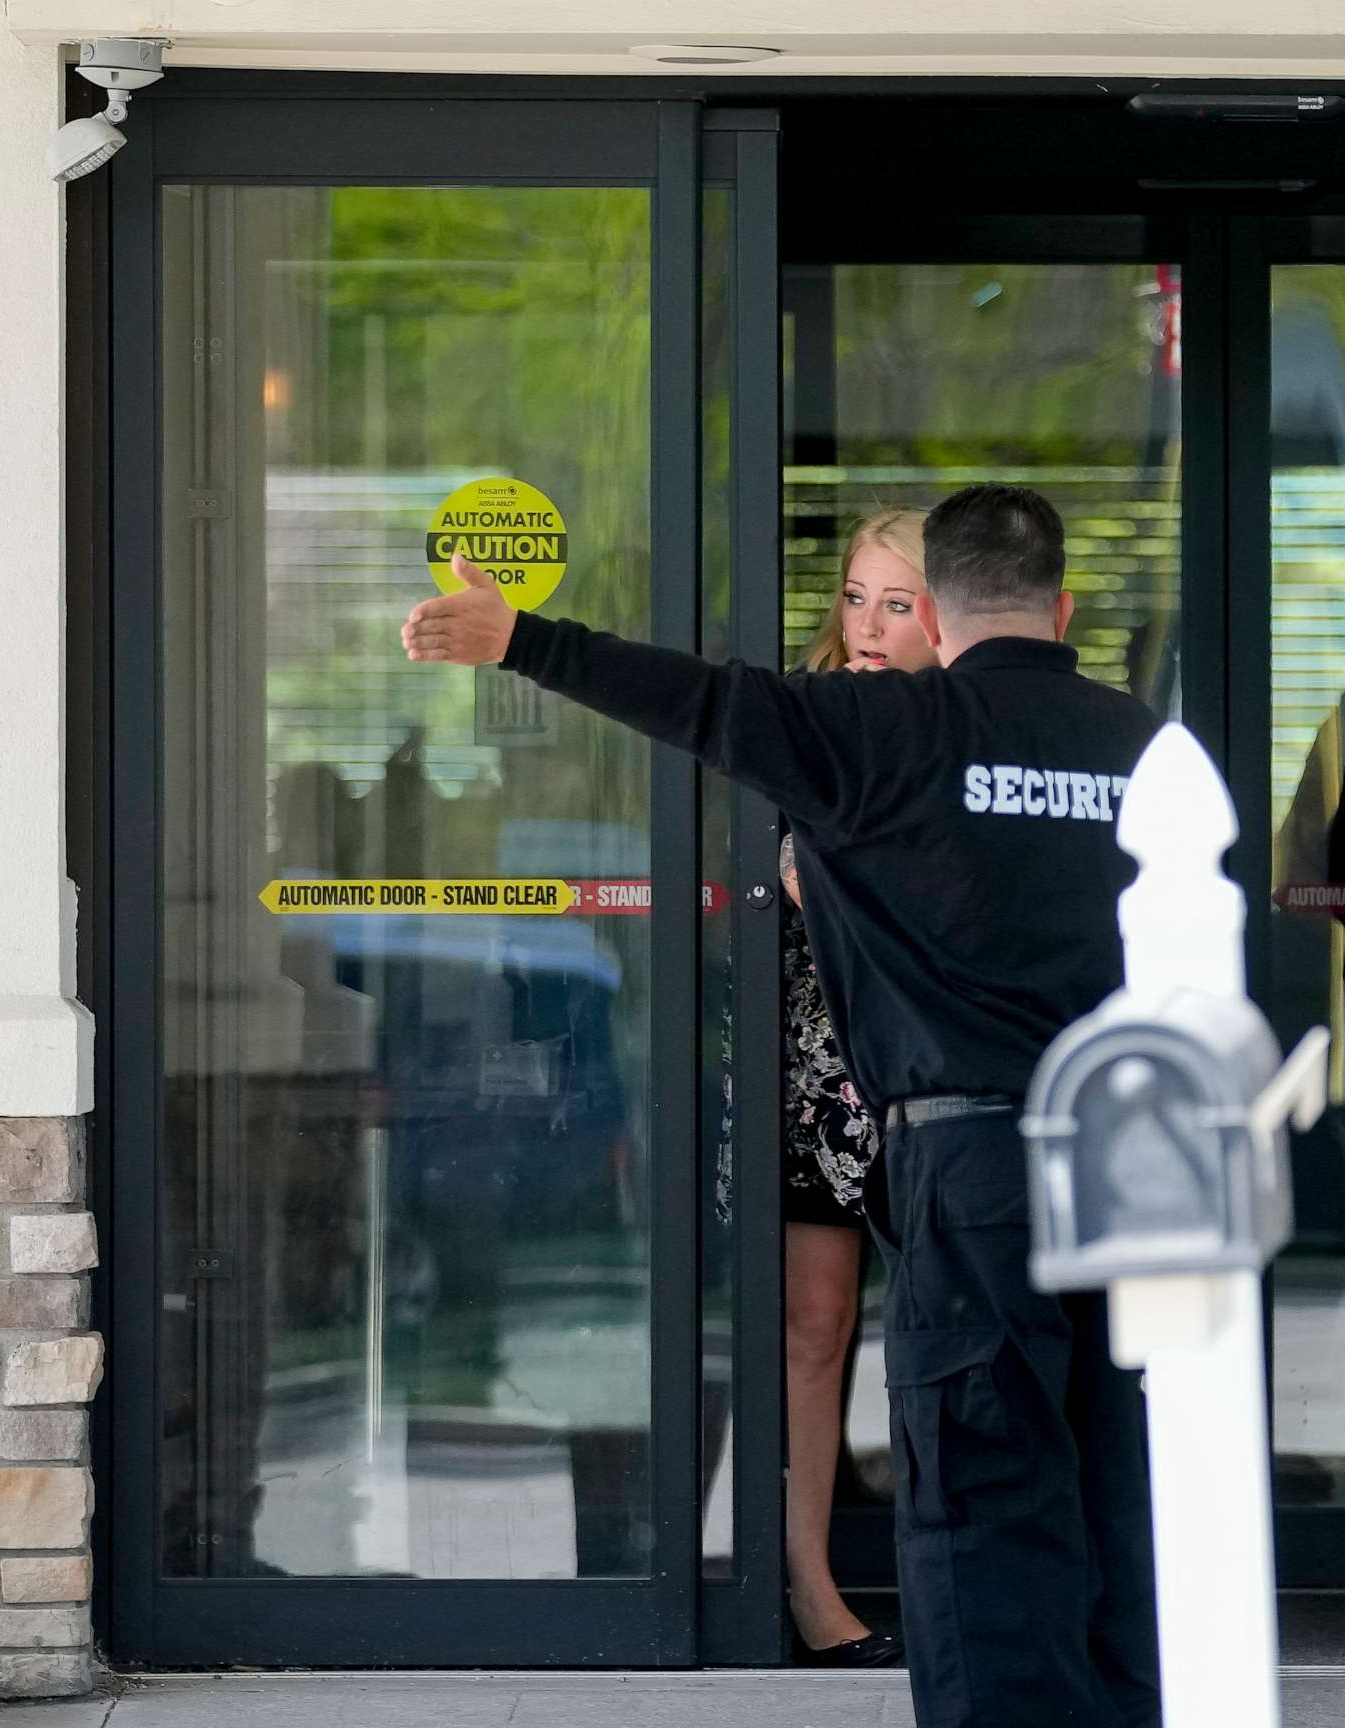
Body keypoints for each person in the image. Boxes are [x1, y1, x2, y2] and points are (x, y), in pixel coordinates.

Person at [402, 484, 1162, 1728]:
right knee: (1107, 1478)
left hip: (969, 1165)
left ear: (944, 611)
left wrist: (520, 640)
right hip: (1128, 1160)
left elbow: (699, 701)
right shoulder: (1141, 745)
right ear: (1063, 605)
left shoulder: (882, 731)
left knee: (978, 1487)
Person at [774, 506, 935, 1668]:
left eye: (897, 600)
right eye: (856, 597)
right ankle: (808, 1584)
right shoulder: (807, 715)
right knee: (815, 1329)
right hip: (814, 1069)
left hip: (938, 1069)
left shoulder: (972, 724)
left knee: (946, 1330)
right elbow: (787, 878)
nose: (870, 625)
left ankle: (955, 1573)